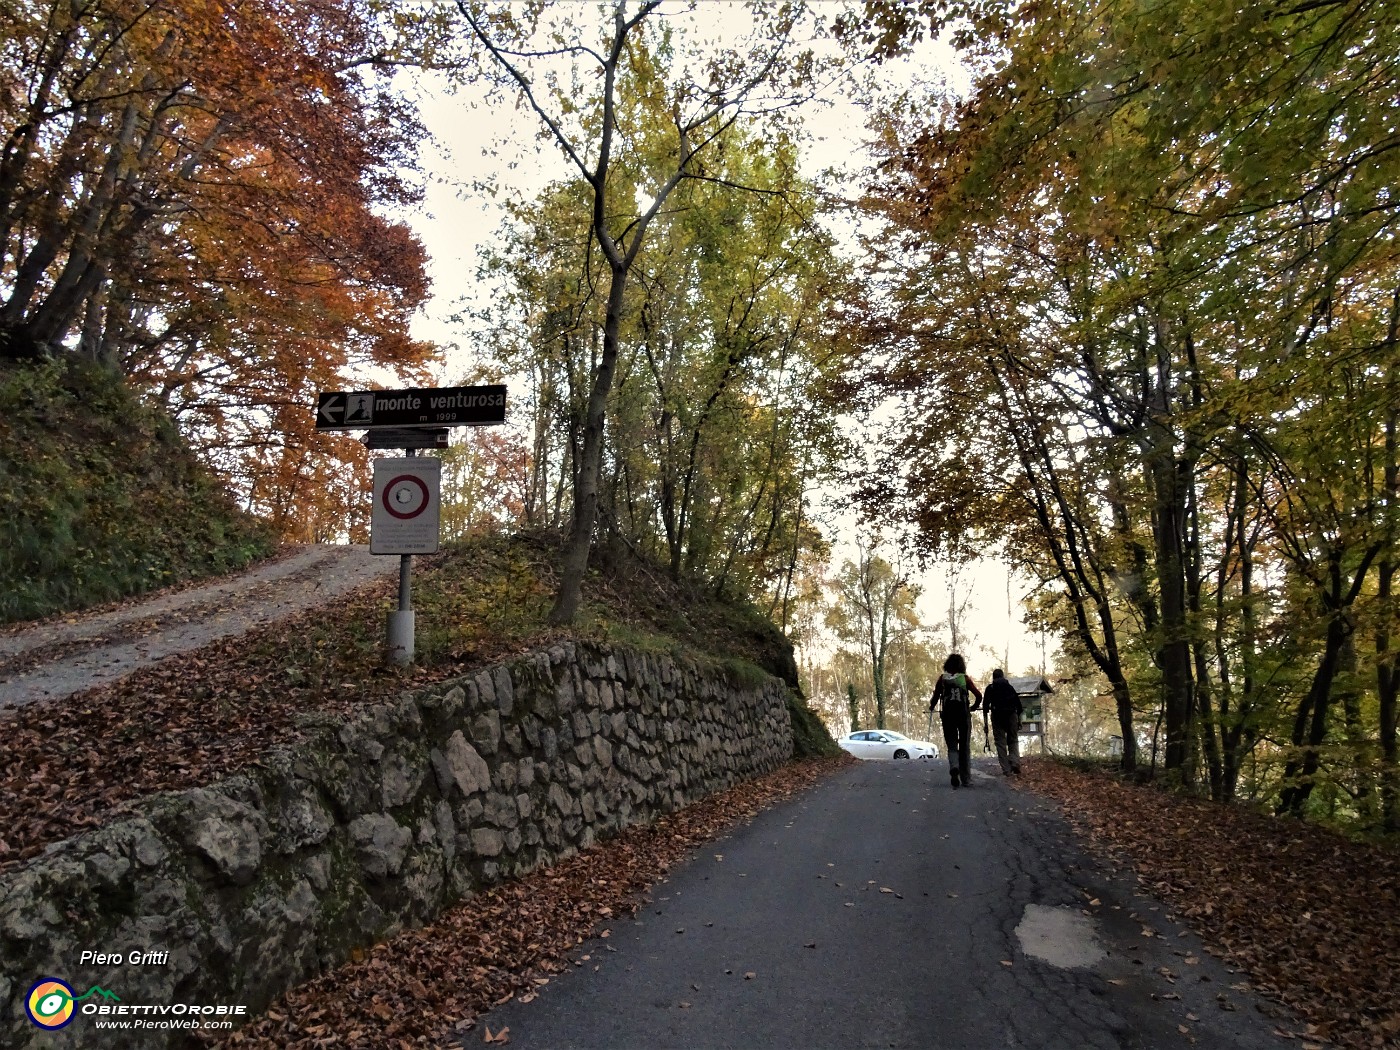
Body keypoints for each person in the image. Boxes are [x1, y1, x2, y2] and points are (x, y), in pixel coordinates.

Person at [929, 654, 982, 788]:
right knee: (964, 746)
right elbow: (978, 695)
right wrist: (973, 707)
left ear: (947, 665)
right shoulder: (964, 679)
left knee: (952, 745)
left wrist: (931, 706)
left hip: (948, 716)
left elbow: (935, 697)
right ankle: (966, 779)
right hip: (963, 715)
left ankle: (954, 766)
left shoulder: (943, 679)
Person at [983, 669, 1024, 776]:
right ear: (1003, 676)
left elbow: (985, 707)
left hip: (997, 717)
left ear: (993, 677)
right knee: (1013, 740)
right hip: (1011, 716)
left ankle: (1006, 769)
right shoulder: (1009, 687)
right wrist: (1019, 720)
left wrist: (986, 724)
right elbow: (1019, 706)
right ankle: (1014, 762)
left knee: (1000, 742)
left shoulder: (990, 688)